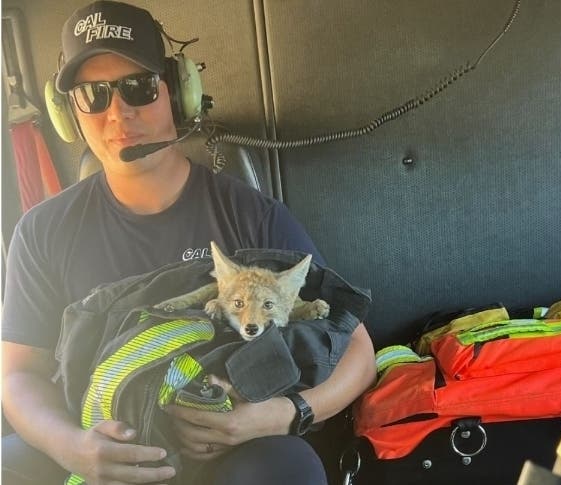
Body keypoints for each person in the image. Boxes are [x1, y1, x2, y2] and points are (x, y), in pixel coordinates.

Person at [1, 2, 376, 484]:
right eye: (94, 94)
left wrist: (281, 415)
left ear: (178, 93)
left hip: (226, 453)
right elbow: (18, 375)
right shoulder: (42, 231)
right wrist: (71, 447)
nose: (118, 113)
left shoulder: (252, 217)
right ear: (67, 110)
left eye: (138, 86)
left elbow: (357, 351)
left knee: (289, 469)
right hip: (95, 446)